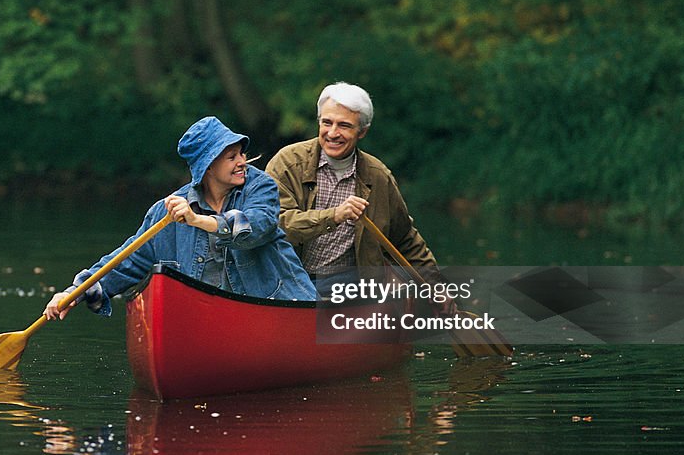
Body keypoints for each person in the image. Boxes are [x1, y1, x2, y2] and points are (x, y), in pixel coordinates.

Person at [44, 116, 317, 320]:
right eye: (231, 156)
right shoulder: (167, 212)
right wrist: (77, 291)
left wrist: (197, 220)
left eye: (241, 153)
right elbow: (128, 260)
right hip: (209, 320)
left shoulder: (260, 187)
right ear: (208, 166)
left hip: (281, 311)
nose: (242, 161)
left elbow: (255, 227)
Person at [265, 82, 449, 308]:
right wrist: (334, 216)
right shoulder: (287, 163)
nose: (333, 133)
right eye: (327, 123)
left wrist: (435, 285)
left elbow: (405, 239)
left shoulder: (378, 176)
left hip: (346, 286)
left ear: (362, 131)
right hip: (287, 278)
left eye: (344, 125)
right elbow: (275, 224)